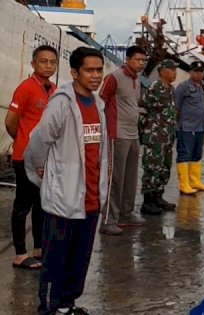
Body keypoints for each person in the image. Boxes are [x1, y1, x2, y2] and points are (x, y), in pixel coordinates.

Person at [24, 46, 108, 315]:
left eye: (99, 70)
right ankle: (48, 308)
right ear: (74, 73)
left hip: (91, 198)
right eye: (89, 70)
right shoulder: (61, 104)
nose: (96, 76)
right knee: (56, 261)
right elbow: (38, 140)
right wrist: (40, 170)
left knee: (79, 260)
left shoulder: (98, 105)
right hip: (64, 198)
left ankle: (66, 306)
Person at [5, 45, 57, 270]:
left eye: (52, 62)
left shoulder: (53, 89)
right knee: (23, 205)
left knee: (41, 204)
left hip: (44, 158)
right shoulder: (26, 88)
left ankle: (38, 248)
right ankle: (19, 253)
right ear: (34, 64)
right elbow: (10, 121)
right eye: (43, 61)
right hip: (25, 157)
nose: (48, 65)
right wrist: (22, 140)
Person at [98, 45, 146, 235]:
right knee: (115, 179)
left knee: (130, 177)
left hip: (133, 135)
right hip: (116, 134)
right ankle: (108, 218)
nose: (141, 63)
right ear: (127, 59)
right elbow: (101, 101)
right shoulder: (114, 77)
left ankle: (126, 213)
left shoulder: (137, 80)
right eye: (137, 59)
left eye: (143, 60)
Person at [139, 60, 179, 215]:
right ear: (163, 71)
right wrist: (148, 126)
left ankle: (158, 197)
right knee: (152, 167)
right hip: (155, 135)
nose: (175, 73)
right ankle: (147, 201)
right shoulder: (154, 87)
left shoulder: (171, 89)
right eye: (172, 69)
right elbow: (143, 106)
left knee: (165, 167)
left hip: (168, 135)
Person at [174, 61, 204, 194]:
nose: (199, 74)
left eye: (201, 72)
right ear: (190, 72)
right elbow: (176, 107)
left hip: (200, 127)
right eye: (196, 71)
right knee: (185, 154)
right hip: (186, 127)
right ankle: (184, 184)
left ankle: (195, 181)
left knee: (197, 154)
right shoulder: (183, 87)